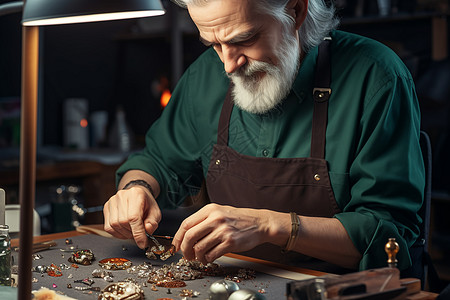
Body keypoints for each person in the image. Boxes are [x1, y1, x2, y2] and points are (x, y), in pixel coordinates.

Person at [103, 0, 424, 275]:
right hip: (234, 281)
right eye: (214, 44)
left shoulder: (376, 76)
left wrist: (269, 226)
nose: (228, 65)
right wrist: (137, 189)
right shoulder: (206, 75)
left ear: (296, 10)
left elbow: (389, 236)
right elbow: (160, 162)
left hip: (341, 287)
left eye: (244, 39)